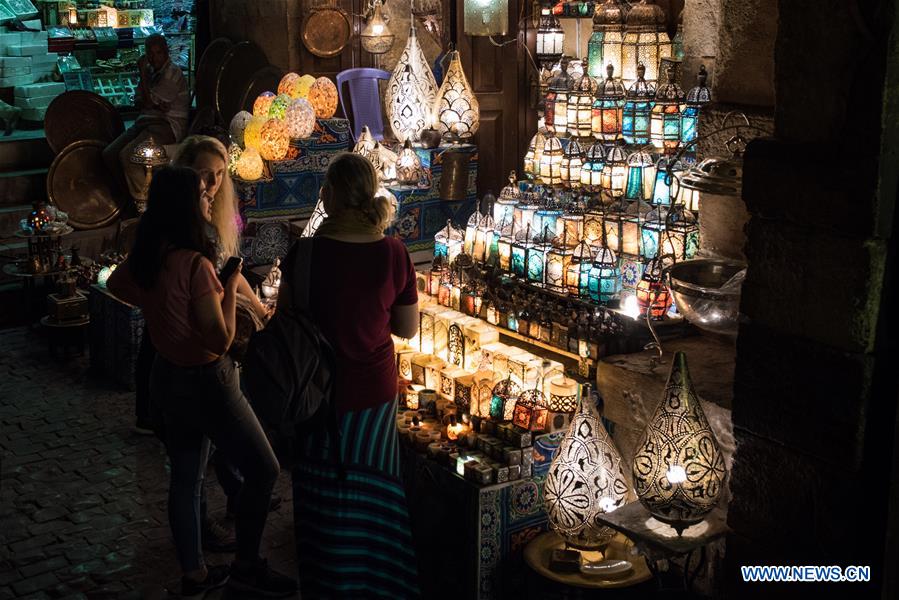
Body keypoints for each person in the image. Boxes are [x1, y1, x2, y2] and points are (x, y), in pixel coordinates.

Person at [107, 166, 297, 599]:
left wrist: (162, 314)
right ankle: (247, 564)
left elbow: (119, 284)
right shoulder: (195, 265)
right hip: (210, 381)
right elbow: (222, 337)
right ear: (185, 206)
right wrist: (230, 285)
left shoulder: (150, 256)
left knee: (187, 479)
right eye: (202, 194)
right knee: (264, 468)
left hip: (167, 375)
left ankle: (193, 575)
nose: (210, 198)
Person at [281, 153, 421, 598]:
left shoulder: (304, 254)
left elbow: (286, 320)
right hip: (371, 395)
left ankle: (328, 584)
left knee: (320, 492)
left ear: (327, 196)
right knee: (372, 493)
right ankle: (377, 584)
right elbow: (407, 328)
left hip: (312, 393)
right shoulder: (393, 253)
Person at [102, 33, 189, 204]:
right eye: (150, 53)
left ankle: (144, 205)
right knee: (109, 154)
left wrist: (143, 77)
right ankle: (128, 198)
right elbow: (139, 101)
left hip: (165, 127)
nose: (154, 58)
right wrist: (150, 101)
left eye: (158, 53)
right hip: (145, 122)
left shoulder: (172, 74)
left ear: (166, 53)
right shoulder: (151, 72)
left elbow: (147, 102)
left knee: (129, 156)